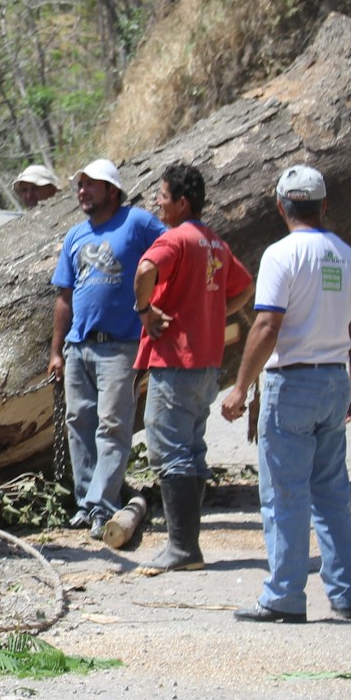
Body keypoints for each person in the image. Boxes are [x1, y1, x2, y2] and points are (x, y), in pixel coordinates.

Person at [219, 164, 351, 623]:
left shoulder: (281, 256)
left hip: (293, 383)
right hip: (333, 382)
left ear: (281, 206)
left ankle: (284, 595)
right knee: (331, 493)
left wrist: (241, 386)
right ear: (323, 205)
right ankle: (346, 594)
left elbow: (267, 325)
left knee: (284, 494)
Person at [131, 162, 253, 571]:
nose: (157, 204)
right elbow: (245, 287)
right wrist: (217, 312)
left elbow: (146, 269)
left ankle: (182, 549)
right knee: (193, 450)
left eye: (162, 197)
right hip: (207, 365)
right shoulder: (215, 243)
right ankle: (187, 546)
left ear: (182, 203)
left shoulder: (177, 239)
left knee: (170, 451)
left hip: (176, 362)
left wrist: (144, 309)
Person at [45, 158, 165, 539]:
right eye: (80, 185)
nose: (83, 191)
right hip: (79, 345)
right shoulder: (76, 236)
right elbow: (64, 296)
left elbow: (171, 252)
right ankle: (86, 503)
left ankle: (103, 506)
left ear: (112, 190)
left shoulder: (138, 223)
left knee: (113, 426)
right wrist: (57, 351)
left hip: (121, 346)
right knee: (79, 424)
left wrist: (158, 307)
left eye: (91, 185)